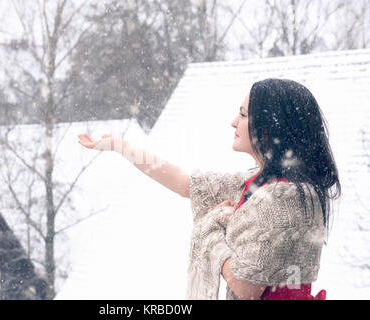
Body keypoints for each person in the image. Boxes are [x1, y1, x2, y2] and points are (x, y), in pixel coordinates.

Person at [77, 78, 341, 300]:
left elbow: (246, 284)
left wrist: (212, 228)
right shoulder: (261, 184)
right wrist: (120, 146)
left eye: (243, 114)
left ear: (270, 126)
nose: (233, 121)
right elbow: (184, 183)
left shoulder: (285, 198)